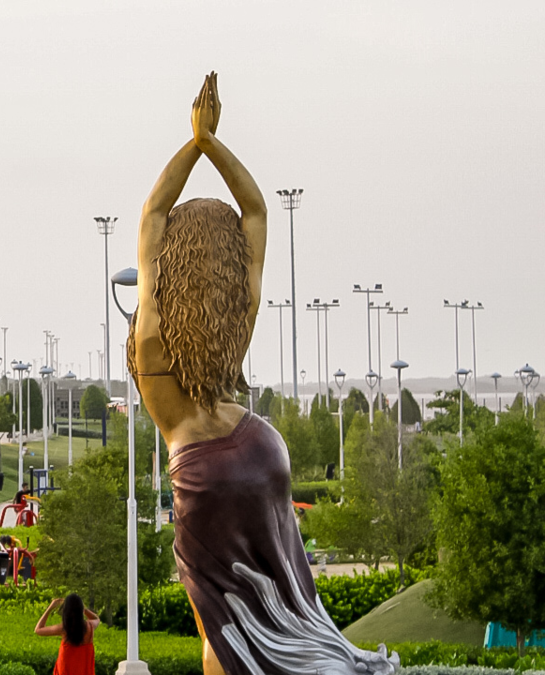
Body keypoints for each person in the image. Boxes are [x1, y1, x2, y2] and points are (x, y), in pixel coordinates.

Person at [131, 73, 397, 675]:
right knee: (279, 621)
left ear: (170, 270)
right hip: (261, 454)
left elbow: (152, 214)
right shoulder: (237, 331)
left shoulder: (154, 360)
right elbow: (255, 209)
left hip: (203, 478)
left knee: (230, 635)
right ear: (228, 268)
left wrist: (192, 143)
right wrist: (211, 141)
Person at [33, 595, 99, 675]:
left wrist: (50, 608)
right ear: (81, 609)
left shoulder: (64, 628)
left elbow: (38, 630)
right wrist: (83, 609)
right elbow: (96, 619)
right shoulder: (90, 626)